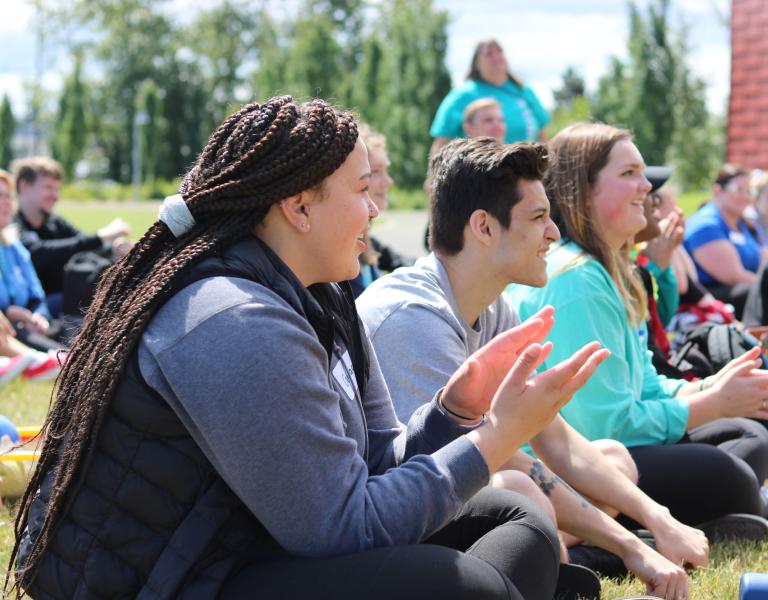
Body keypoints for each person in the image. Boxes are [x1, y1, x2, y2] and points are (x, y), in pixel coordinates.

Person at [11, 97, 609, 600]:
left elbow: (377, 462)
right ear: (298, 207)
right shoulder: (232, 320)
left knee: (518, 521)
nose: (376, 209)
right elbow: (345, 527)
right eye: (361, 189)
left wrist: (453, 415)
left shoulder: (325, 297)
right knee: (460, 586)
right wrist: (495, 438)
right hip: (177, 580)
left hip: (255, 543)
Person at [358, 137, 704, 599]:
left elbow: (554, 436)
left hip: (459, 502)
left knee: (614, 461)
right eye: (539, 218)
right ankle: (561, 559)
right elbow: (490, 457)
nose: (554, 234)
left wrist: (659, 518)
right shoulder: (413, 318)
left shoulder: (496, 307)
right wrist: (629, 544)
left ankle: (560, 553)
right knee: (520, 487)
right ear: (483, 227)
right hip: (386, 536)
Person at [507, 123, 768, 534]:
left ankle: (716, 514)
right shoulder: (576, 281)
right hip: (578, 464)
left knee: (749, 435)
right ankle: (615, 526)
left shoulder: (608, 269)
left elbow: (644, 386)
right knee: (729, 473)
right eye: (629, 174)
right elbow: (604, 429)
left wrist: (714, 387)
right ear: (583, 189)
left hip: (617, 445)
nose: (647, 186)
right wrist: (712, 403)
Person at [11, 157, 131, 317]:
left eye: (57, 189)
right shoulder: (12, 226)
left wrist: (115, 248)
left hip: (68, 296)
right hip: (39, 307)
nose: (55, 196)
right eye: (48, 187)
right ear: (24, 187)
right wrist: (101, 236)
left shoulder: (54, 222)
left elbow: (85, 245)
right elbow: (38, 254)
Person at [428, 38, 550, 161]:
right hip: (481, 174)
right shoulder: (463, 95)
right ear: (477, 64)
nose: (496, 56)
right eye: (489, 54)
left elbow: (543, 135)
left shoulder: (523, 91)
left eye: (499, 51)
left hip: (527, 171)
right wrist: (433, 178)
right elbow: (441, 143)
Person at [683, 164, 767, 319]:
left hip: (745, 290)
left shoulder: (746, 224)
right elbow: (734, 276)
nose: (745, 196)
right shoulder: (705, 225)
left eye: (749, 191)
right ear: (718, 190)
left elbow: (764, 259)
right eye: (738, 190)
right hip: (710, 299)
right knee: (754, 293)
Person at [0, 169, 67, 353]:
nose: (6, 203)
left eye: (8, 197)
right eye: (0, 196)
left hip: (29, 327)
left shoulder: (15, 248)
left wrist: (39, 316)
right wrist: (8, 313)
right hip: (10, 331)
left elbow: (37, 297)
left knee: (69, 328)